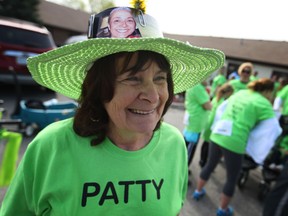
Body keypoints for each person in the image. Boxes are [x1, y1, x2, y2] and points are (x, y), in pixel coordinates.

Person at [0, 6, 225, 216]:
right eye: (133, 79)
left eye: (159, 79)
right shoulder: (51, 147)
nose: (154, 96)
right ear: (98, 88)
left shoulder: (174, 144)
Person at [193, 78, 281, 216]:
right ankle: (222, 210)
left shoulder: (241, 93)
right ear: (269, 91)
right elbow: (274, 128)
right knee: (232, 178)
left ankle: (197, 192)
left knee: (209, 165)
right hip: (235, 141)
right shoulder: (264, 103)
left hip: (218, 133)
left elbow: (222, 108)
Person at [199, 83, 234, 168]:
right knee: (209, 146)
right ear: (228, 92)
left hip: (210, 122)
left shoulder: (217, 98)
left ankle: (202, 160)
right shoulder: (224, 102)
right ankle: (204, 162)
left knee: (206, 143)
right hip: (214, 124)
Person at [183, 80, 212, 167]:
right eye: (207, 76)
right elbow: (207, 106)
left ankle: (181, 168)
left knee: (186, 146)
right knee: (189, 149)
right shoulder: (198, 87)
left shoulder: (193, 84)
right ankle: (184, 171)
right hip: (196, 124)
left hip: (192, 120)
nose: (209, 78)